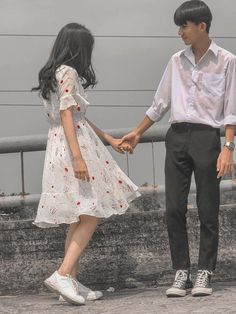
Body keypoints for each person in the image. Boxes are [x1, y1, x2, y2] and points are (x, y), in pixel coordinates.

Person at [119, 0, 236, 297]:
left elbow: (231, 111)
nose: (180, 32)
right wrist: (136, 132)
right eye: (178, 26)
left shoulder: (226, 61)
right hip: (177, 137)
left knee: (208, 209)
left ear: (202, 26)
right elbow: (160, 104)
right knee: (173, 208)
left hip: (207, 138)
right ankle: (181, 271)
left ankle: (205, 272)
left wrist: (228, 148)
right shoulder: (175, 61)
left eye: (184, 25)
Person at [32, 22, 140, 305]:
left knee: (79, 215)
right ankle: (63, 274)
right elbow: (68, 114)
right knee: (90, 214)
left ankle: (71, 283)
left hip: (62, 144)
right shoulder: (68, 71)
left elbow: (76, 114)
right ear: (79, 48)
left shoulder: (55, 73)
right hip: (72, 147)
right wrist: (78, 157)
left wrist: (108, 138)